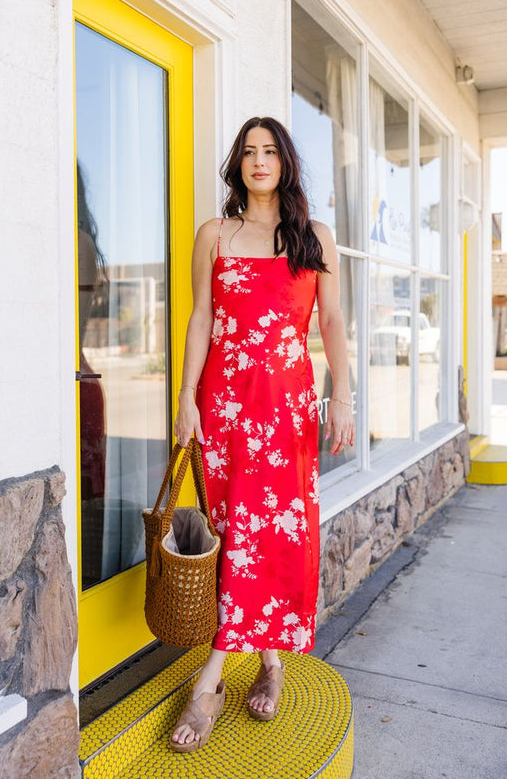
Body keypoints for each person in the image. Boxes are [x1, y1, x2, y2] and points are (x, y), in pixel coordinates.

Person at [170, 116, 354, 752]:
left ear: (285, 162)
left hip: (287, 412)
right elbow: (200, 320)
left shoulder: (314, 236)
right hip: (224, 407)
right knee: (237, 535)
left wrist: (343, 395)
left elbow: (330, 322)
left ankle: (212, 680)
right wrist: (186, 400)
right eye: (248, 152)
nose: (258, 161)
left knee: (271, 535)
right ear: (238, 164)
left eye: (269, 151)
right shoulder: (215, 235)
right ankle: (270, 662)